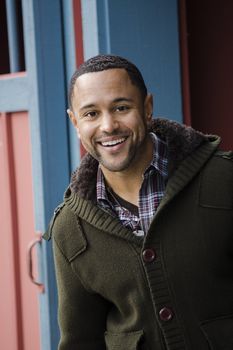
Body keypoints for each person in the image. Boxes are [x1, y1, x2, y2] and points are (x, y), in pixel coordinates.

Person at [44, 54, 233, 350]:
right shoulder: (70, 229)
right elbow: (81, 341)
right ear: (75, 122)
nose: (108, 126)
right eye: (91, 114)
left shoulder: (224, 180)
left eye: (121, 107)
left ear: (147, 108)